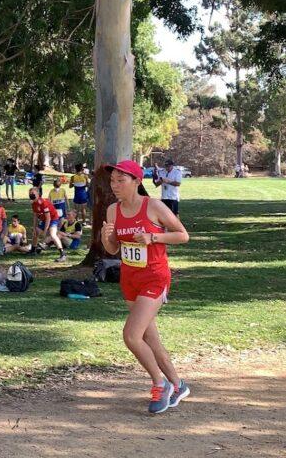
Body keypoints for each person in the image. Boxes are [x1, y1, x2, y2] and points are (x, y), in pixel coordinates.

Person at [100, 159, 190, 414]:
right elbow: (114, 249)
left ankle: (159, 385)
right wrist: (107, 239)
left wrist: (153, 237)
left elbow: (183, 235)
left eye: (121, 180)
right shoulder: (112, 211)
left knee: (131, 335)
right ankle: (179, 384)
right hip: (129, 279)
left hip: (154, 277)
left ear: (137, 181)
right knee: (150, 338)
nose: (115, 185)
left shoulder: (154, 206)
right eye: (112, 181)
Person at [30, 186, 66, 262]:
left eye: (33, 193)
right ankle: (33, 250)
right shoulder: (33, 204)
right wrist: (34, 227)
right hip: (44, 219)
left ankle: (63, 254)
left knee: (53, 234)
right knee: (36, 232)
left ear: (38, 193)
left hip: (53, 219)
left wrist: (45, 231)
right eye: (30, 193)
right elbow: (35, 216)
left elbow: (48, 218)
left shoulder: (44, 202)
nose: (31, 194)